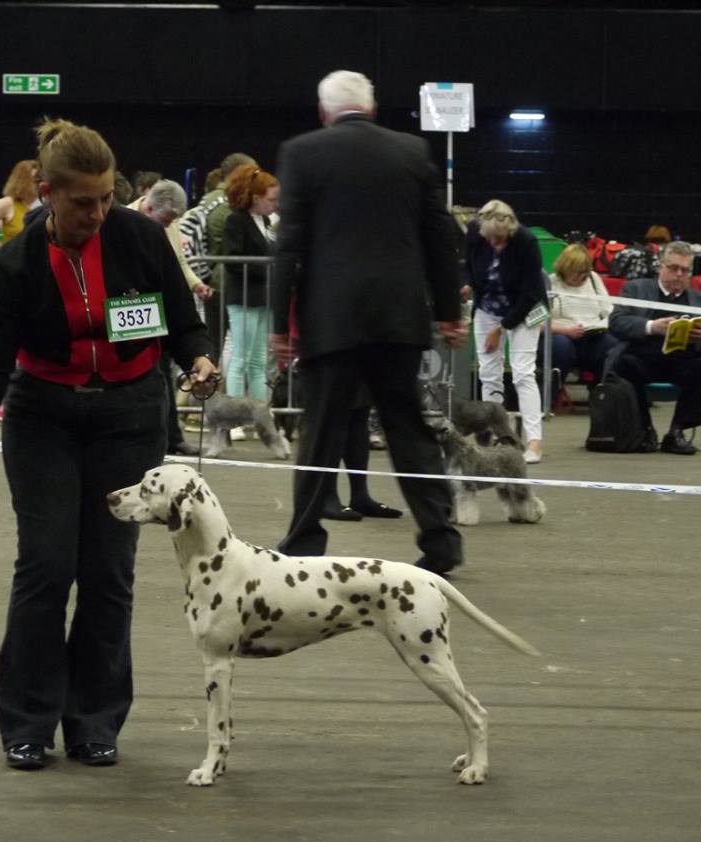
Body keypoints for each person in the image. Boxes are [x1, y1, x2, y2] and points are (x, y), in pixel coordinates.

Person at [0, 118, 216, 771]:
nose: (97, 213)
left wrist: (199, 362)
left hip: (130, 415)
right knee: (46, 566)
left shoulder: (142, 238)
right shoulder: (17, 263)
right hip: (44, 419)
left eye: (107, 197)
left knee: (109, 573)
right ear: (46, 191)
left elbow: (183, 323)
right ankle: (27, 722)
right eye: (81, 201)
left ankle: (94, 720)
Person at [270, 70, 467, 573]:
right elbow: (439, 237)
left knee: (320, 431)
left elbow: (288, 246)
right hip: (399, 318)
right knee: (408, 429)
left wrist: (278, 325)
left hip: (331, 319)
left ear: (323, 112)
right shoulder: (411, 152)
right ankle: (441, 540)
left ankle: (303, 542)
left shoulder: (301, 152)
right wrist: (449, 312)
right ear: (373, 109)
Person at [608, 240, 701, 454]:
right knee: (623, 363)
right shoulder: (635, 289)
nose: (679, 274)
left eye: (685, 270)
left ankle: (677, 432)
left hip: (684, 363)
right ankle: (644, 430)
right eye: (673, 268)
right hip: (643, 360)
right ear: (660, 266)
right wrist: (651, 327)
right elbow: (616, 323)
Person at [127, 179, 214, 456]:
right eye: (166, 219)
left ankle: (171, 437)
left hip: (158, 307)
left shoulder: (170, 227)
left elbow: (179, 262)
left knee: (163, 373)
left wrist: (194, 283)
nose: (169, 224)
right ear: (148, 207)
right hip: (129, 307)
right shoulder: (121, 221)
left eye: (174, 219)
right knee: (135, 373)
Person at [463, 199, 548, 464]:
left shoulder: (526, 241)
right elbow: (468, 266)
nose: (496, 244)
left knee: (522, 372)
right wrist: (467, 284)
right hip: (487, 307)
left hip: (526, 308)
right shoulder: (476, 235)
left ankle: (534, 441)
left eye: (501, 239)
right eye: (492, 240)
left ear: (510, 230)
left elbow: (530, 292)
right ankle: (494, 433)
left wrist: (502, 328)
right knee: (488, 373)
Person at [221, 163, 278, 402]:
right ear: (256, 198)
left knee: (259, 360)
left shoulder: (264, 222)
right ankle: (234, 417)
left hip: (261, 297)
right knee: (241, 359)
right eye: (272, 199)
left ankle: (259, 413)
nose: (275, 205)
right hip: (242, 298)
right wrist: (269, 268)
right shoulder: (236, 220)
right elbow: (233, 260)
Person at [546, 243, 618, 397]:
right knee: (561, 346)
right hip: (561, 335)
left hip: (591, 336)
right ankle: (552, 394)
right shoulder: (549, 283)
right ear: (564, 268)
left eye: (584, 273)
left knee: (611, 345)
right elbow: (534, 321)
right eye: (576, 273)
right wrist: (565, 330)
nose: (581, 277)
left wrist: (602, 325)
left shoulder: (593, 279)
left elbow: (608, 310)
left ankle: (601, 393)